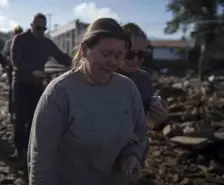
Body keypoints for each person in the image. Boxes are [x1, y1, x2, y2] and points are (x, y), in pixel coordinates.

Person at [28, 18, 147, 185]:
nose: (113, 61)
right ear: (84, 49)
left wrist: (131, 156)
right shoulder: (59, 94)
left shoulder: (128, 89)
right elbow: (41, 163)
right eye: (106, 53)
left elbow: (139, 134)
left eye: (119, 55)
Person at [10, 13, 72, 159]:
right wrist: (31, 71)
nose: (40, 31)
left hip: (36, 86)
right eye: (38, 28)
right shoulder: (19, 40)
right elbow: (15, 60)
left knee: (34, 118)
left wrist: (78, 62)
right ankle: (18, 148)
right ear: (31, 26)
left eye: (43, 29)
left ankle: (30, 149)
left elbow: (61, 56)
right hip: (21, 84)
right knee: (20, 117)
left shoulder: (46, 43)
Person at [118, 23, 169, 167]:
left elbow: (145, 123)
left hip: (132, 156)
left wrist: (158, 116)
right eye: (130, 54)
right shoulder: (102, 75)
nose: (136, 60)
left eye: (141, 54)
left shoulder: (144, 78)